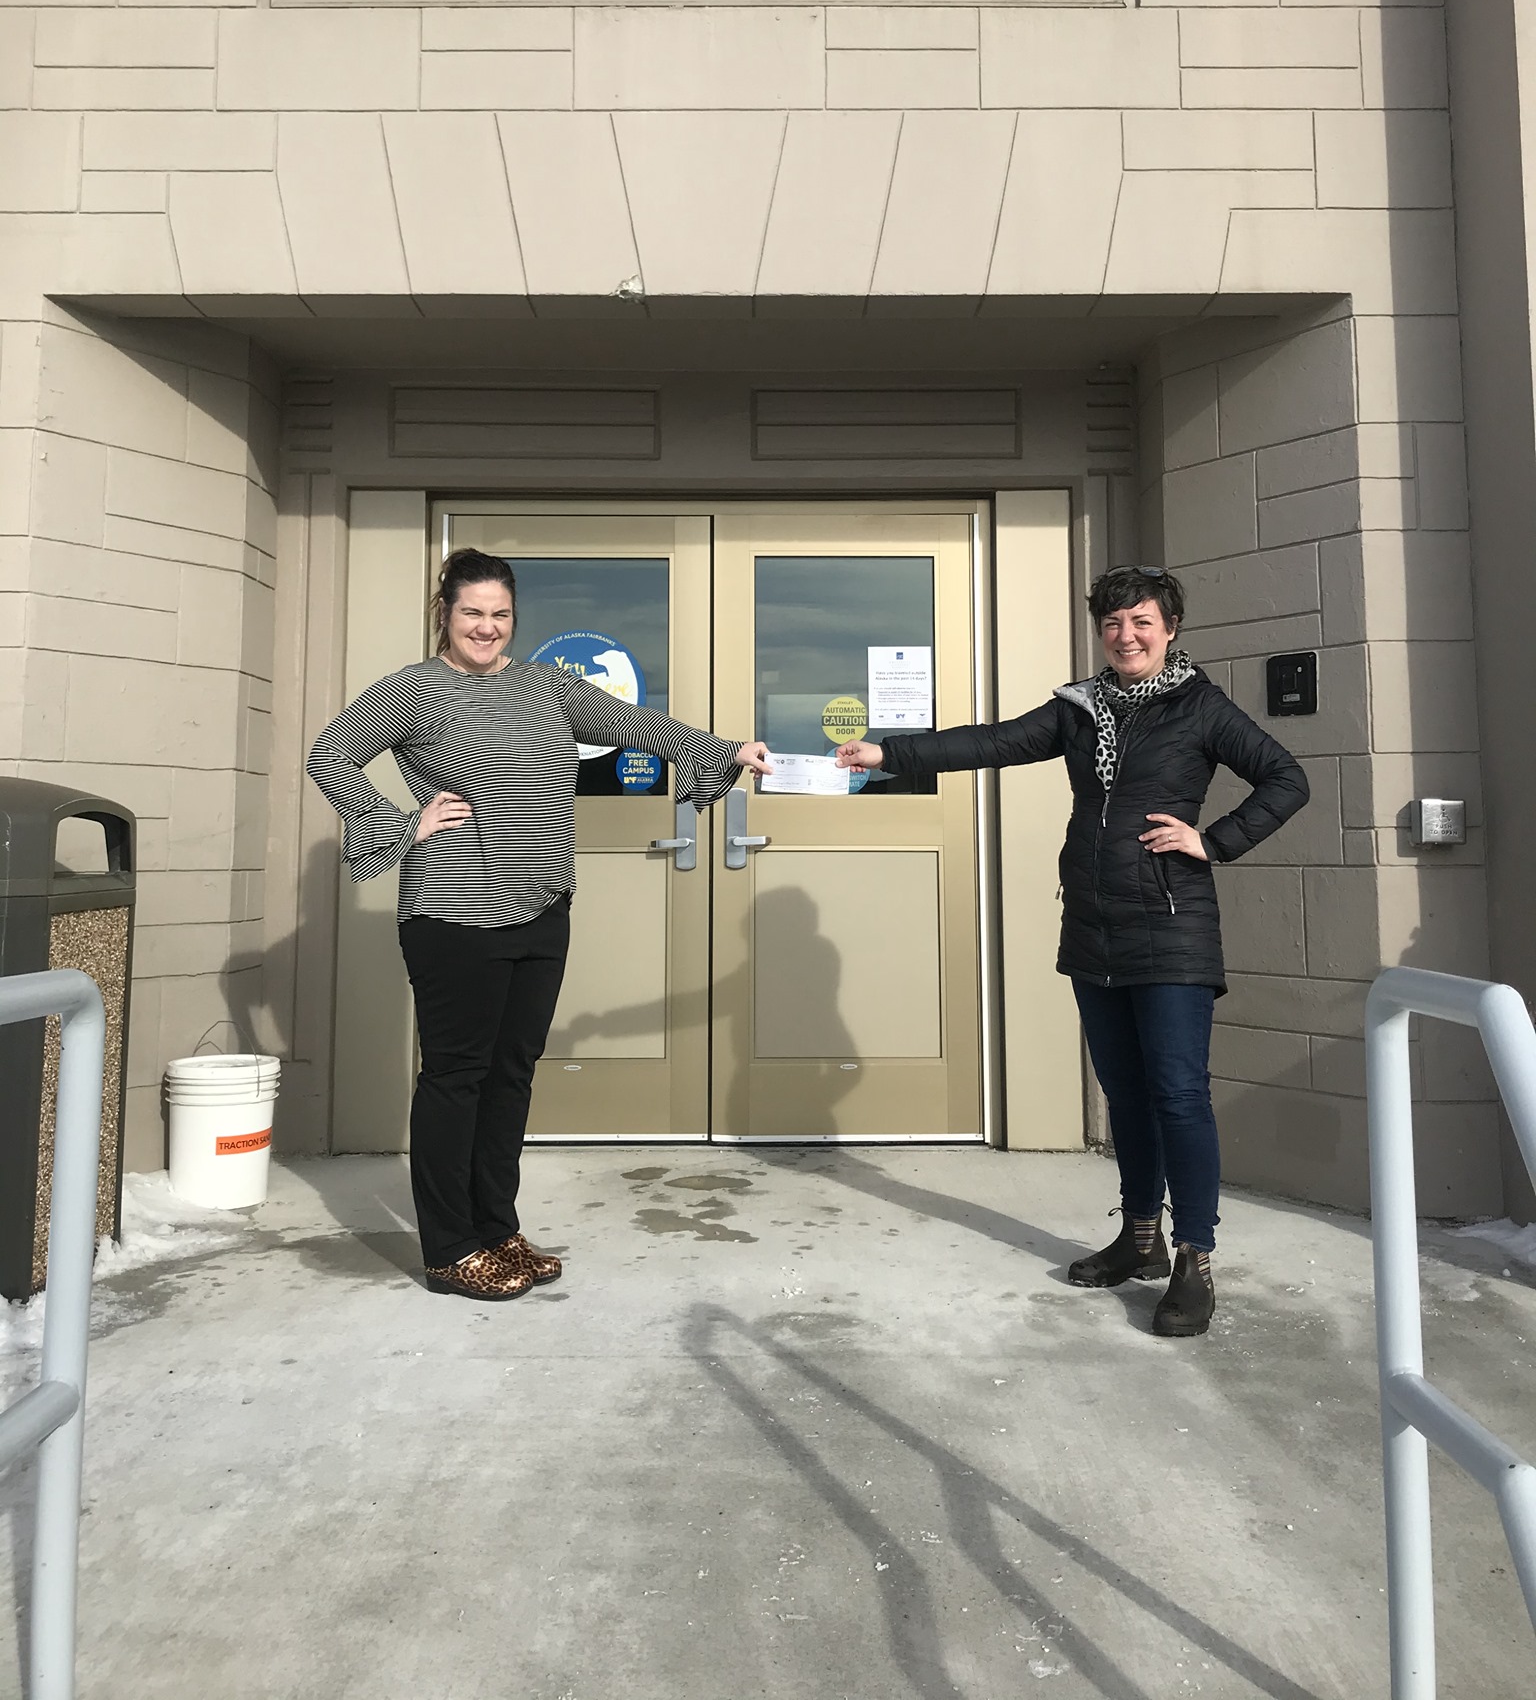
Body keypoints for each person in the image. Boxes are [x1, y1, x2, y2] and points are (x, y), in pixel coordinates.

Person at [836, 564, 1308, 1338]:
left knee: (1179, 1094)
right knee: (1125, 1094)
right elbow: (994, 741)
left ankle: (1195, 1256)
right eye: (1113, 624)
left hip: (1171, 922)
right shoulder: (1079, 710)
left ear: (1170, 630)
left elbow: (1287, 779)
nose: (1127, 636)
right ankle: (1140, 1237)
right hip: (1095, 925)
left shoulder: (1202, 709)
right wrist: (890, 753)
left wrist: (1214, 841)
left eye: (1142, 623)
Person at [307, 548, 770, 1302]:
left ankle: (496, 1229)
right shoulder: (415, 692)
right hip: (454, 910)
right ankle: (450, 1248)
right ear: (445, 615)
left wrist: (726, 751)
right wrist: (401, 825)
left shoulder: (545, 686)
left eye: (499, 614)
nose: (486, 627)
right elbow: (331, 755)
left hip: (543, 904)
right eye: (471, 613)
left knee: (511, 1078)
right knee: (457, 1079)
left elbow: (636, 724)